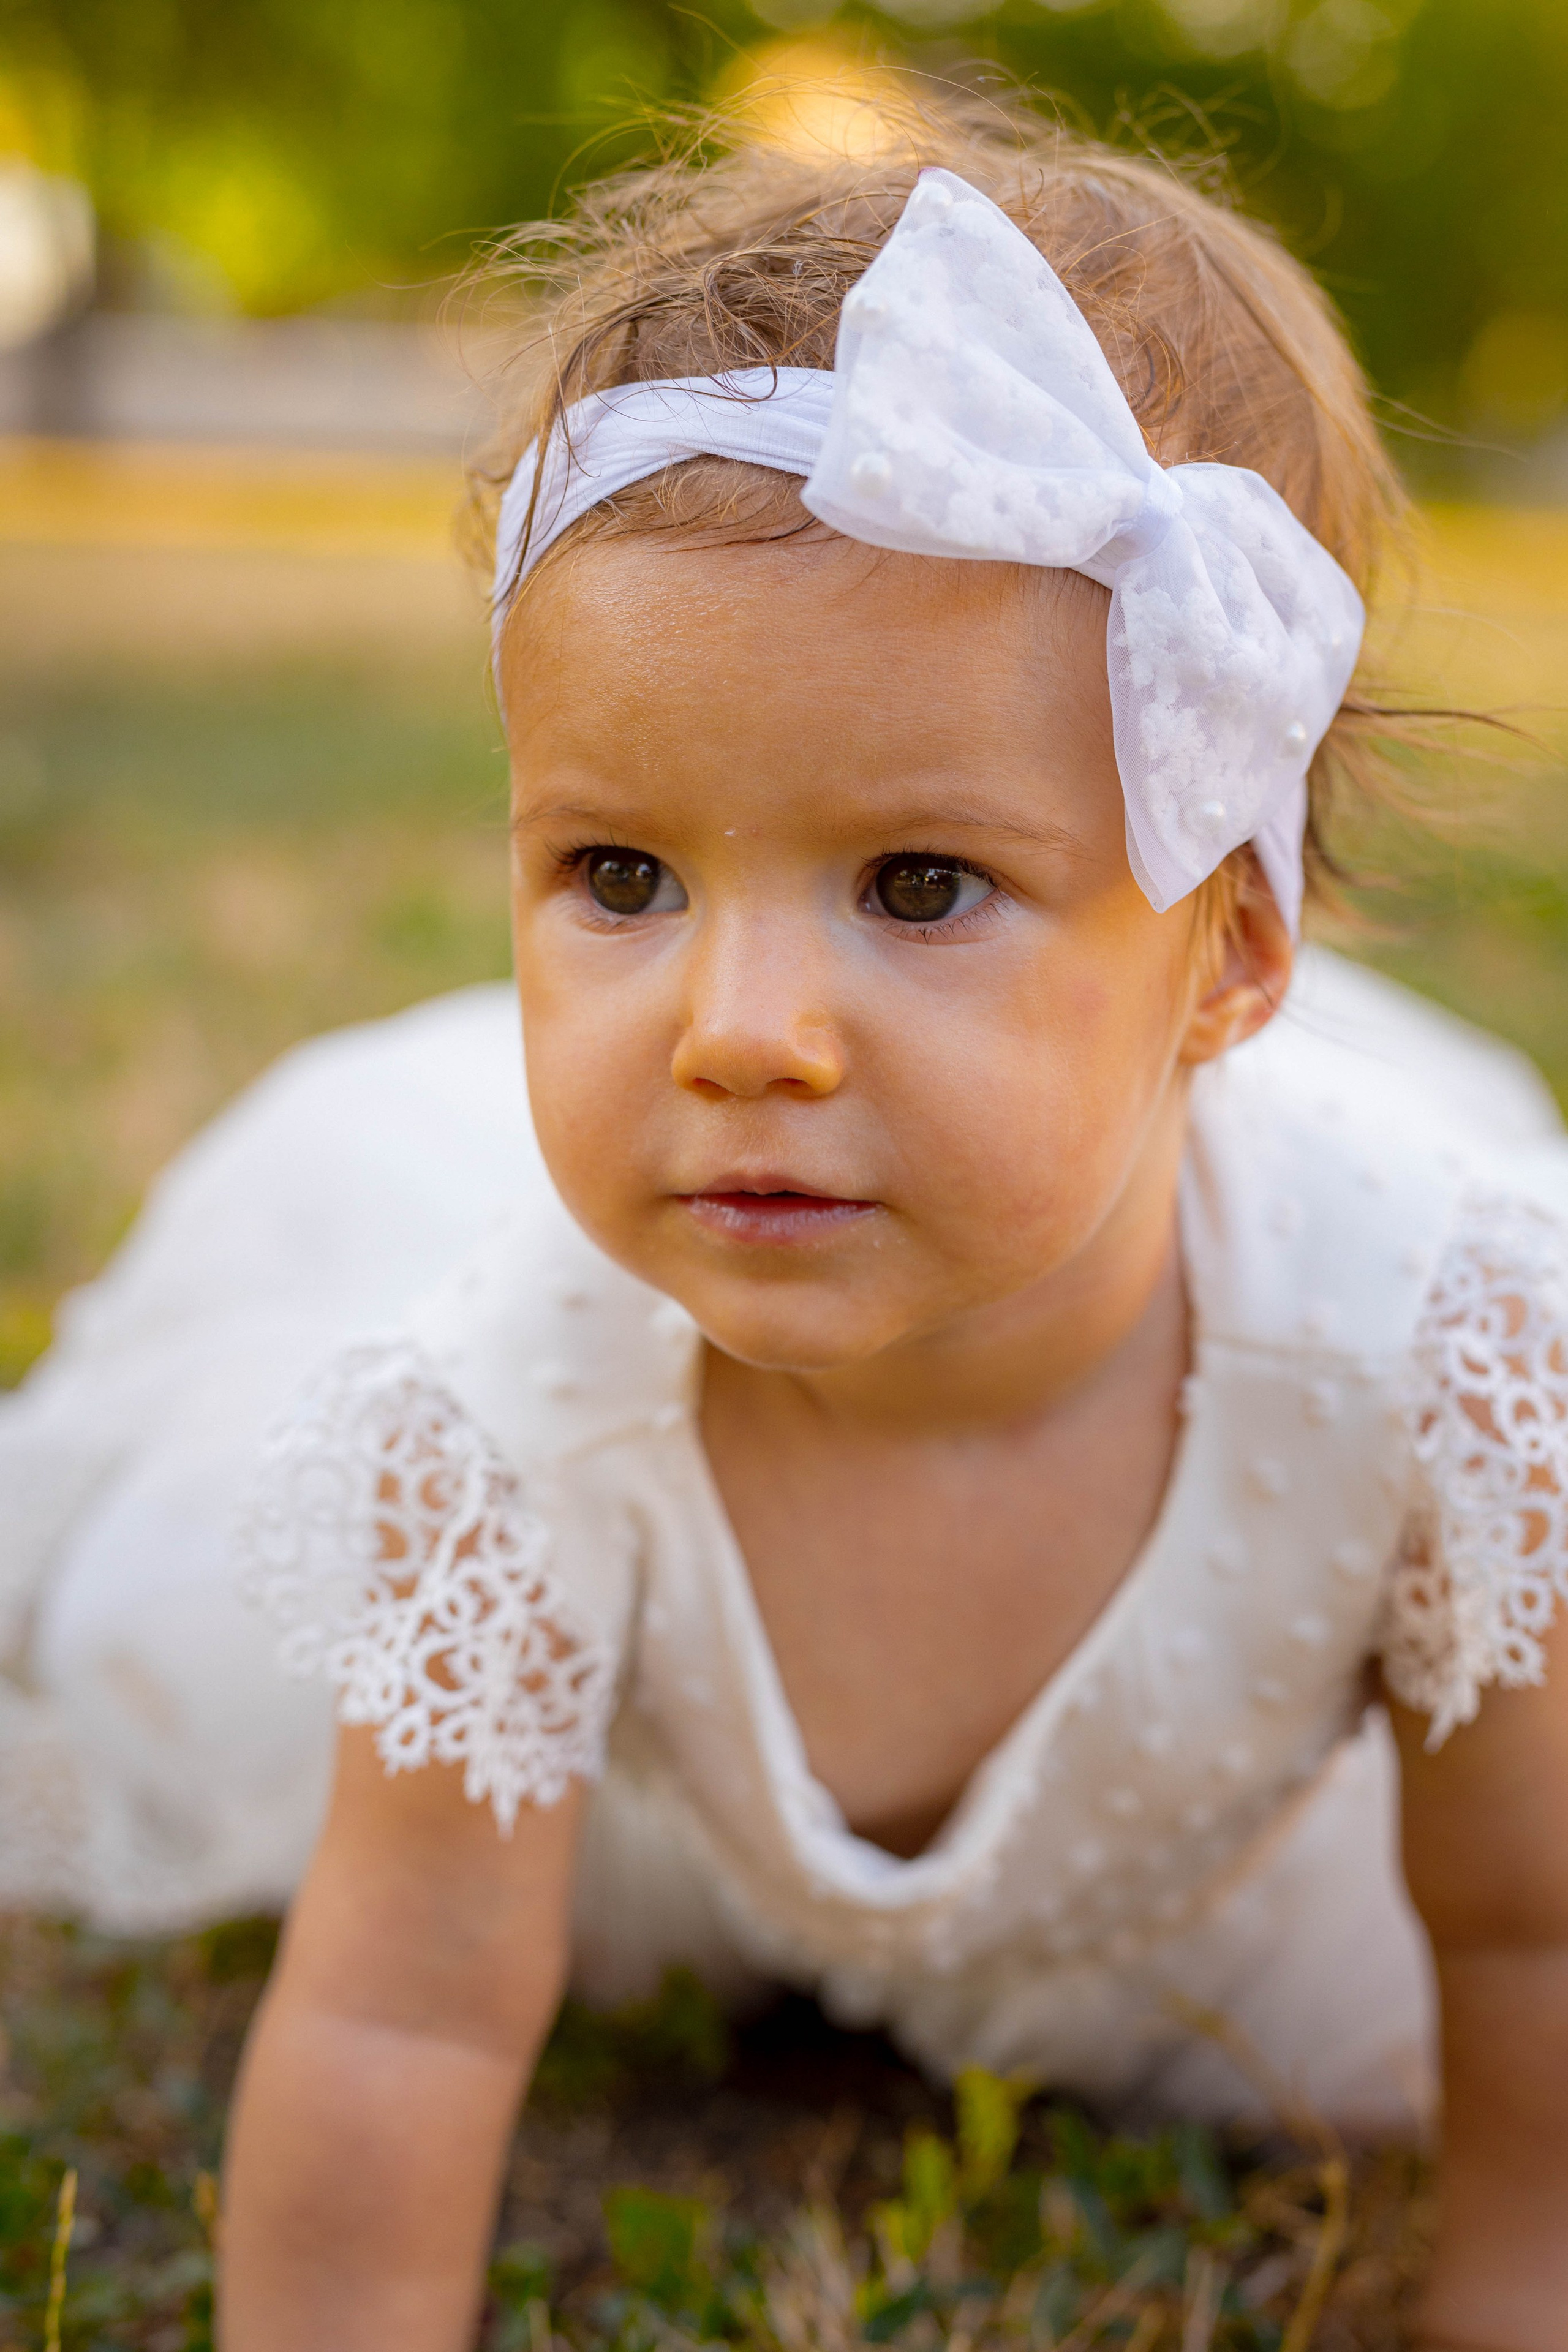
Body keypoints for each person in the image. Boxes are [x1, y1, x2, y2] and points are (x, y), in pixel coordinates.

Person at [3, 94, 1567, 2352]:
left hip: (1233, 1893)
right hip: (665, 1838)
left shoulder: (1436, 1354)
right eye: (621, 878)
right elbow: (406, 2025)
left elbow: (1524, 1943)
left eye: (920, 887)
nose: (743, 1035)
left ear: (1226, 952)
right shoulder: (509, 1429)